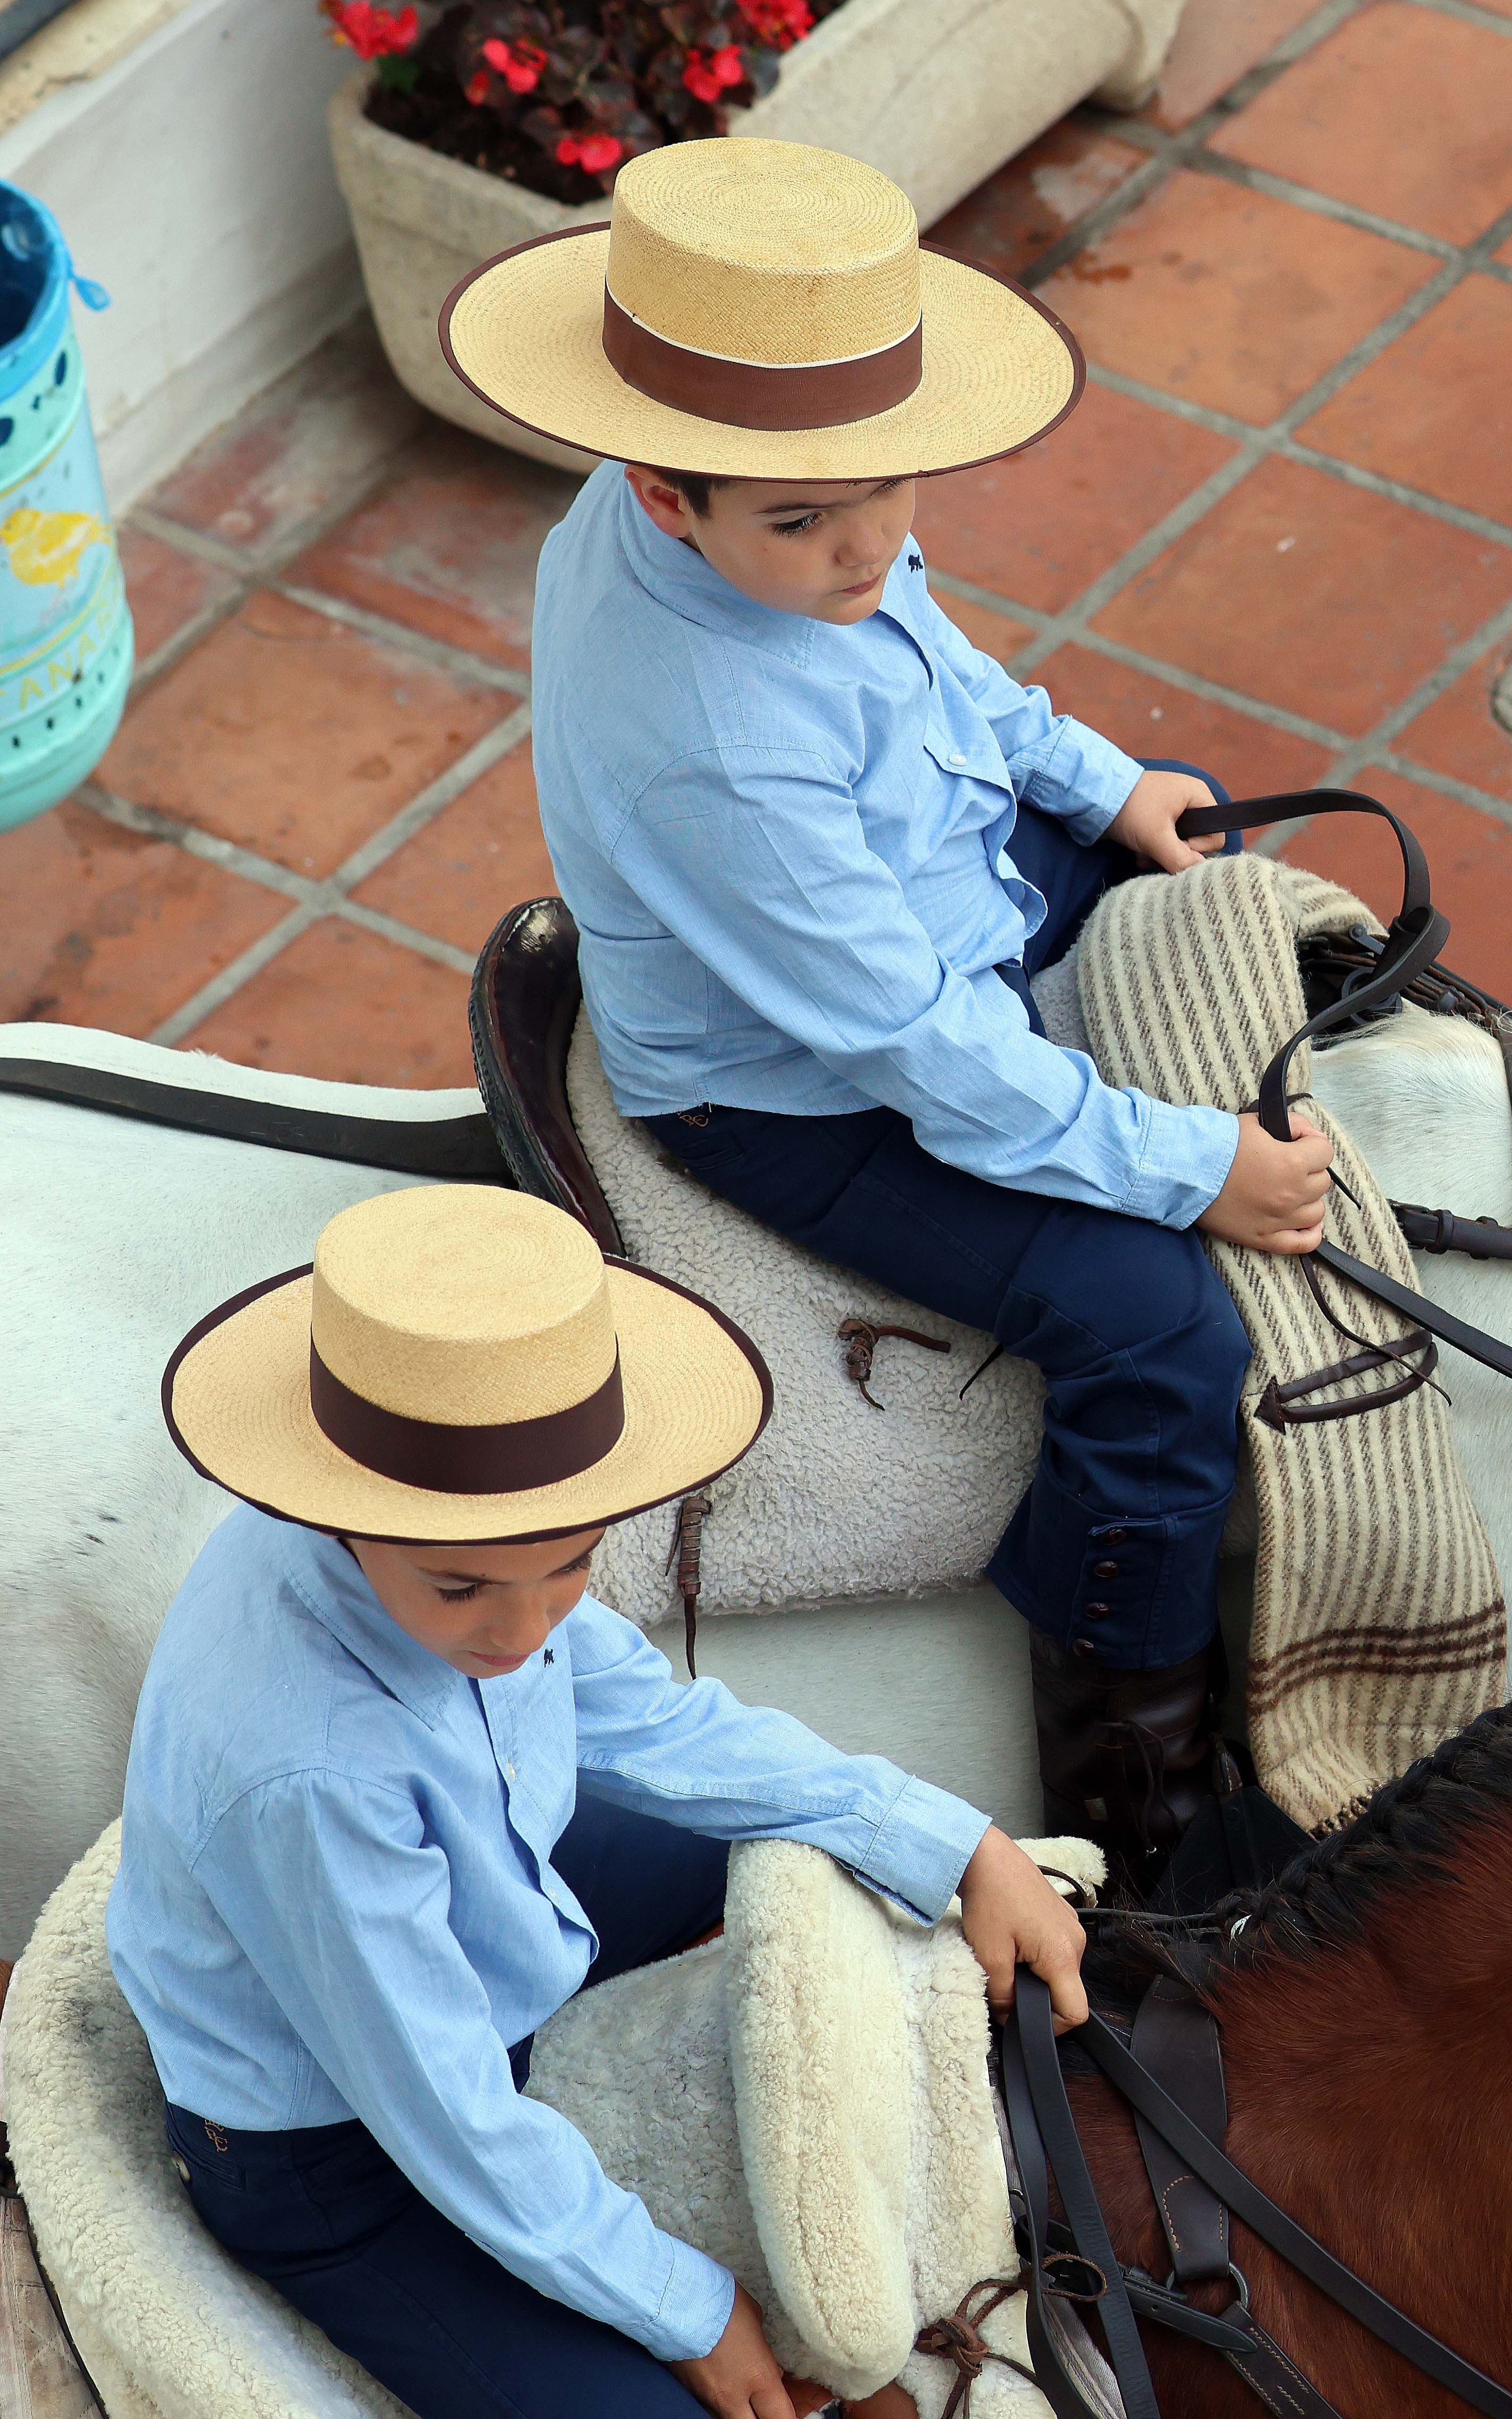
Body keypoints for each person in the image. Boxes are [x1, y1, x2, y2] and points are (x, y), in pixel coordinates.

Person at [435, 135, 1339, 1896]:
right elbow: (922, 1054)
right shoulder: (719, 738)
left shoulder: (781, 517)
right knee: (1157, 1334)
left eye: (889, 495)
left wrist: (1097, 780)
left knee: (1195, 839)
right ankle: (1138, 1786)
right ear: (657, 490)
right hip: (794, 1098)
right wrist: (1188, 1171)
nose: (864, 549)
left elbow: (926, 654)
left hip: (933, 899)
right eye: (804, 522)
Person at [118, 1182, 1091, 2419]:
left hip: (477, 1903)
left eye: (569, 1562)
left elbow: (655, 1720)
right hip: (334, 2158)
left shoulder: (462, 1560)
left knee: (815, 1845)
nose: (525, 1632)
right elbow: (448, 2113)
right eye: (462, 1589)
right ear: (344, 1511)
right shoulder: (304, 1775)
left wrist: (956, 1841)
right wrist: (688, 2305)